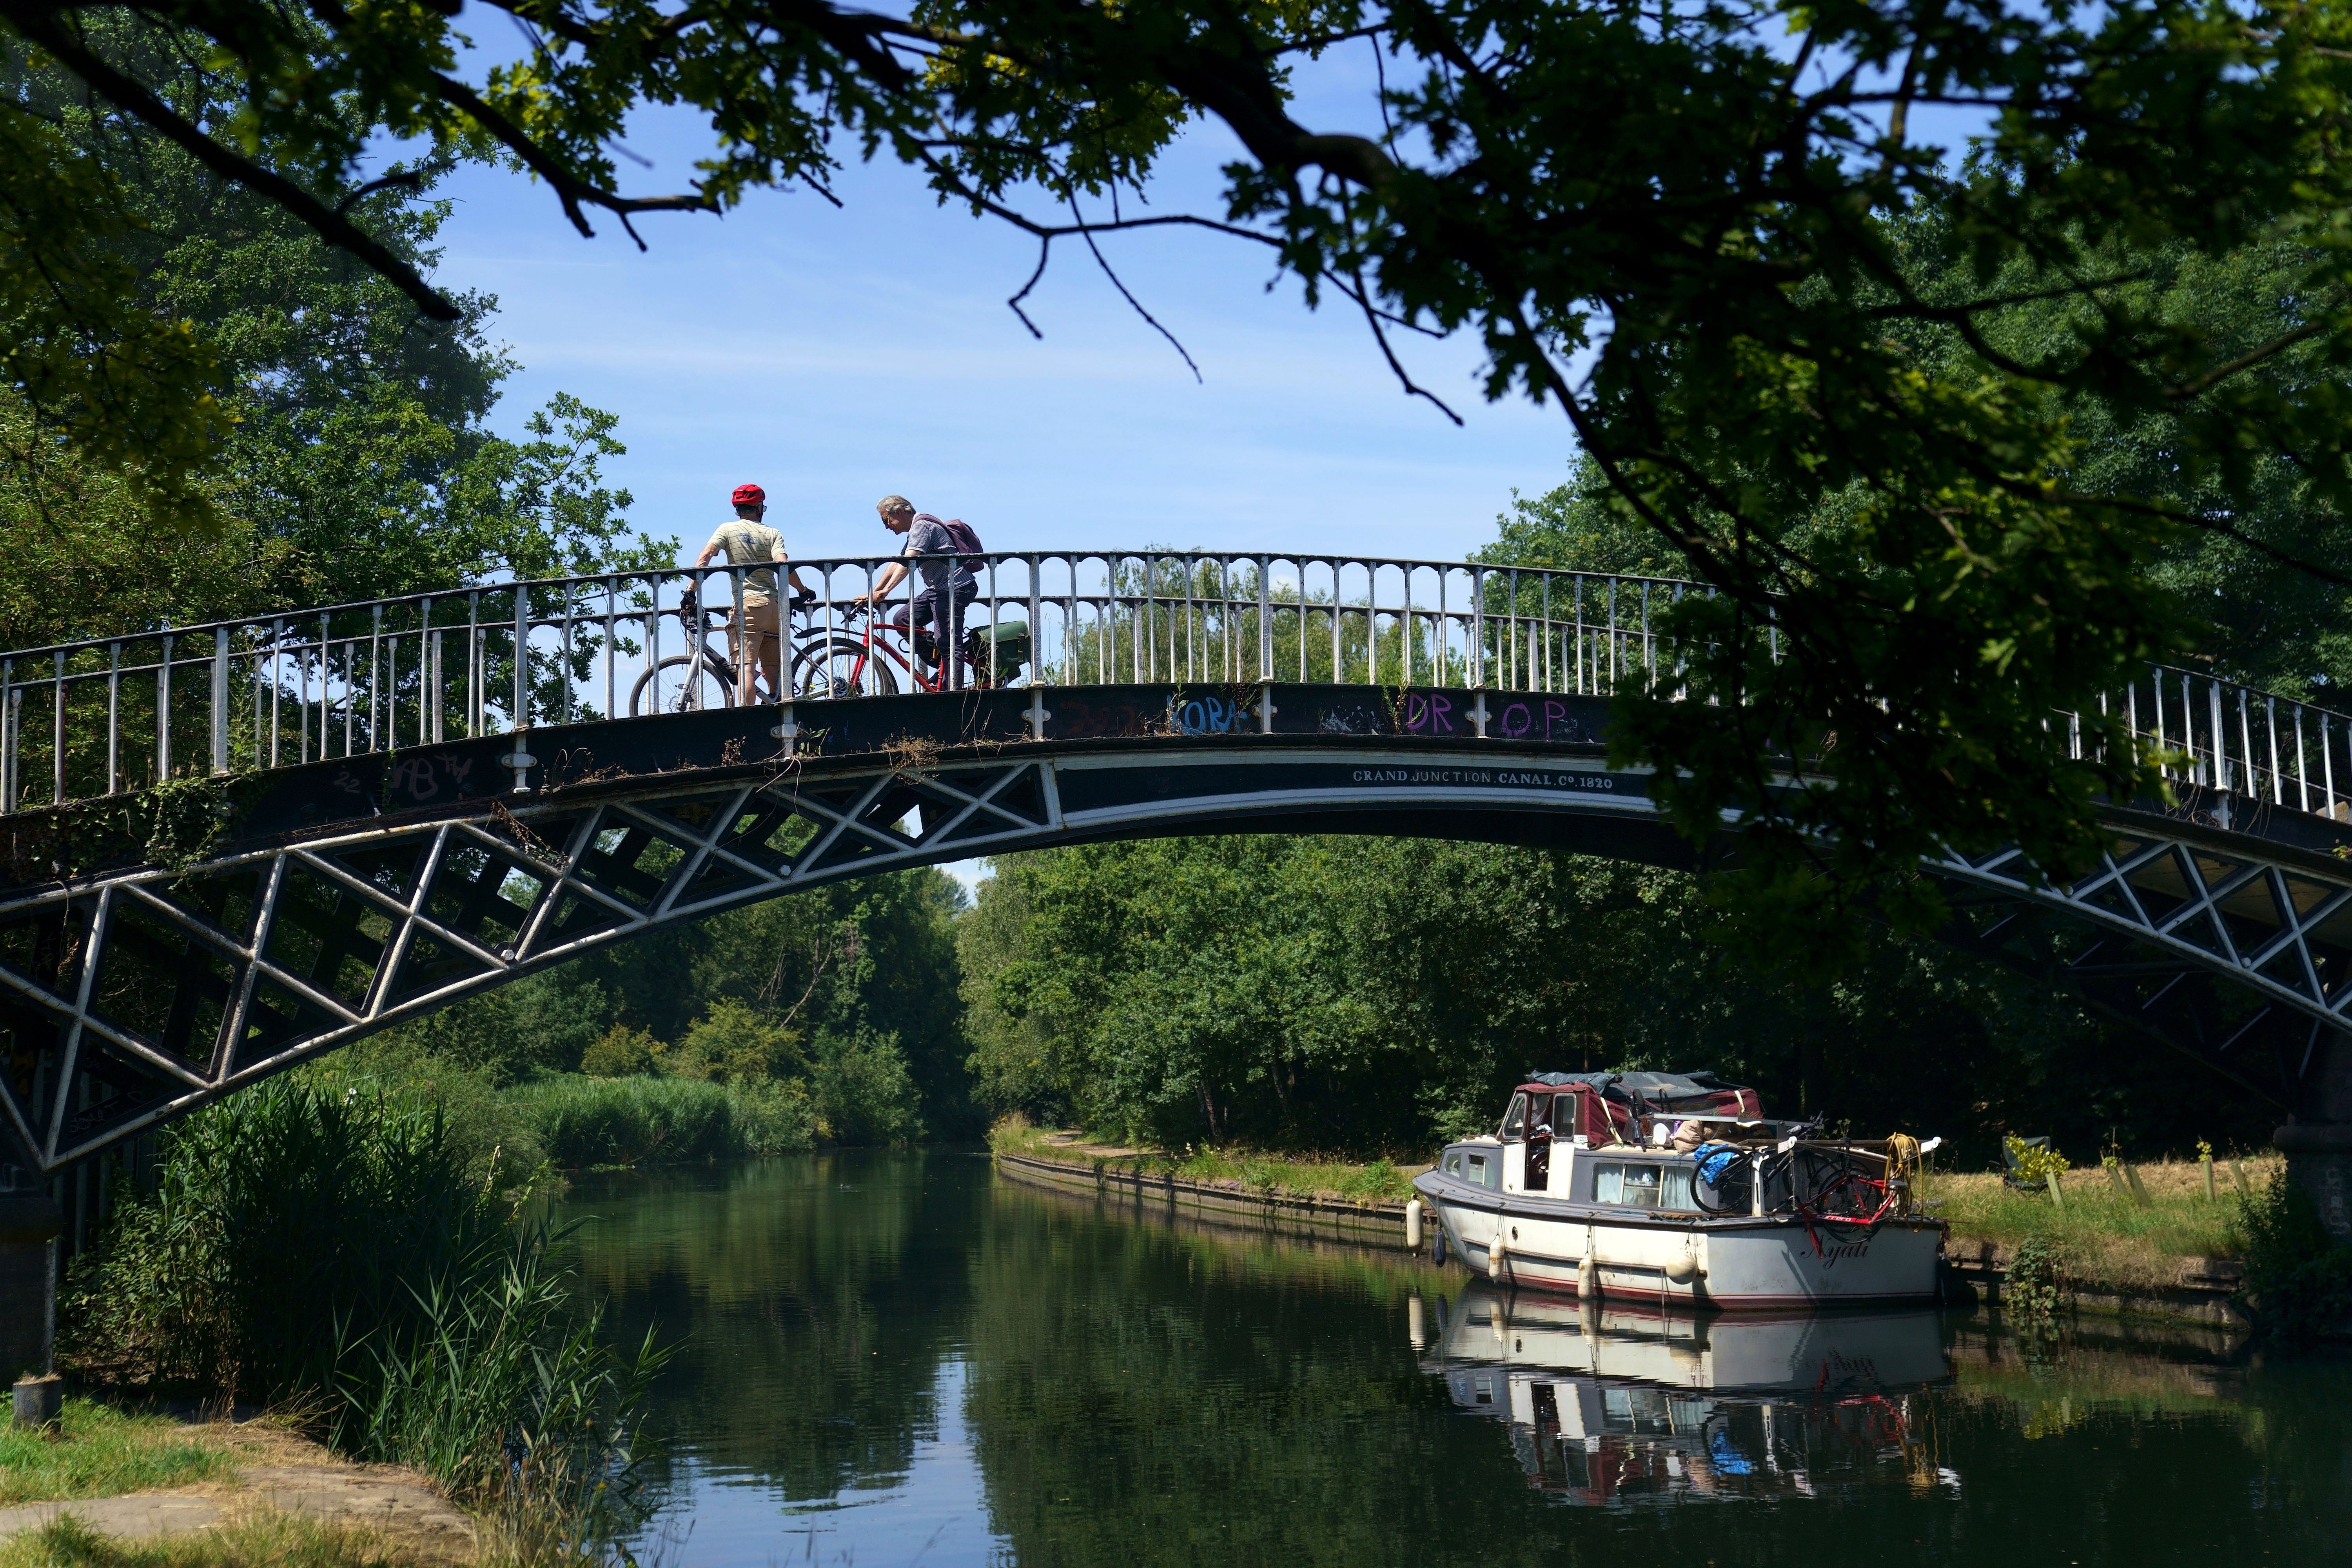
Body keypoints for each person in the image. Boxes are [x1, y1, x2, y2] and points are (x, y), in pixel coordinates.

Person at [694, 483, 810, 704]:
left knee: (746, 668)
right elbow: (783, 566)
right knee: (774, 670)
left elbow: (706, 556)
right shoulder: (773, 533)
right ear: (759, 508)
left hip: (749, 605)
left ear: (738, 510)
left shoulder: (727, 530)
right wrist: (803, 591)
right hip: (775, 607)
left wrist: (691, 591)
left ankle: (745, 723)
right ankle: (781, 713)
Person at [850, 495, 980, 688]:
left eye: (887, 520)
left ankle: (952, 692)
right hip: (938, 589)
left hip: (954, 588)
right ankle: (941, 663)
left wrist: (886, 591)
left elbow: (909, 563)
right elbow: (897, 562)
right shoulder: (915, 530)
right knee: (903, 619)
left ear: (899, 513)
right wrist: (874, 592)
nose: (887, 526)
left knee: (948, 642)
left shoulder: (921, 527)